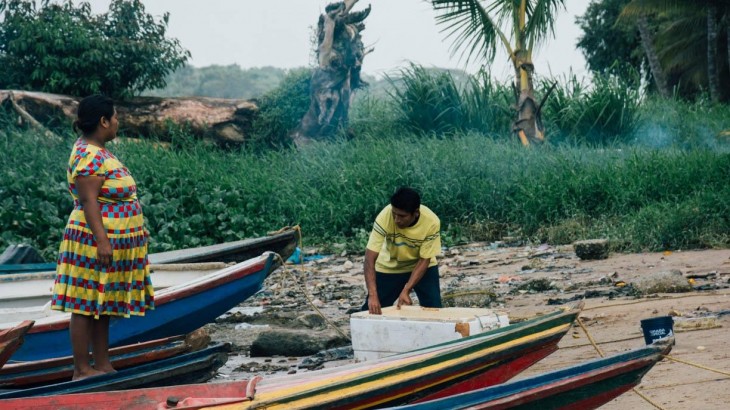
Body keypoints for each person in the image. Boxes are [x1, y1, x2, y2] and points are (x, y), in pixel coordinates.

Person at [50, 95, 154, 380]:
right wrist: (103, 241)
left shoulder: (99, 150)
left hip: (108, 241)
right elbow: (89, 201)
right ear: (103, 121)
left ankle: (103, 365)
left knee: (102, 302)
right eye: (115, 117)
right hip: (90, 241)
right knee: (84, 304)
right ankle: (82, 370)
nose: (118, 122)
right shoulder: (89, 155)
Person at [362, 187, 442, 314]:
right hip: (390, 266)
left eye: (402, 216)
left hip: (421, 266)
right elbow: (369, 258)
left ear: (415, 213)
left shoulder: (432, 222)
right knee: (371, 310)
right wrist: (372, 295)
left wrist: (406, 290)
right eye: (394, 214)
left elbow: (424, 259)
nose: (396, 220)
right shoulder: (385, 216)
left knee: (434, 309)